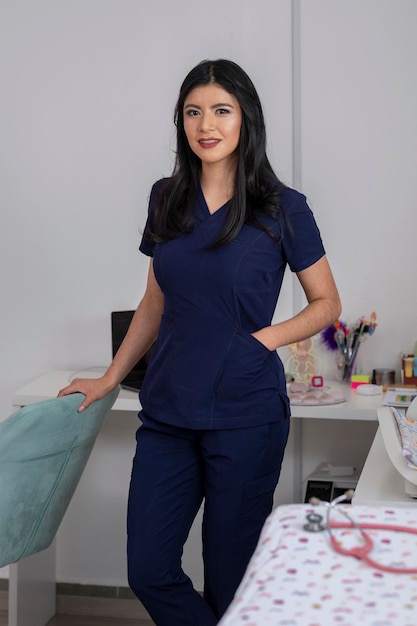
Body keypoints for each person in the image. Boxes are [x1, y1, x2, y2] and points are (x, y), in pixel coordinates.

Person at [58, 59, 341, 625]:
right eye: (193, 111)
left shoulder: (283, 207)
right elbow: (154, 303)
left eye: (220, 110)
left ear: (245, 120)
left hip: (246, 413)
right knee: (149, 570)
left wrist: (263, 341)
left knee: (231, 577)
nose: (205, 123)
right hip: (169, 410)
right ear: (181, 122)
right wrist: (111, 377)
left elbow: (327, 305)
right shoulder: (166, 197)